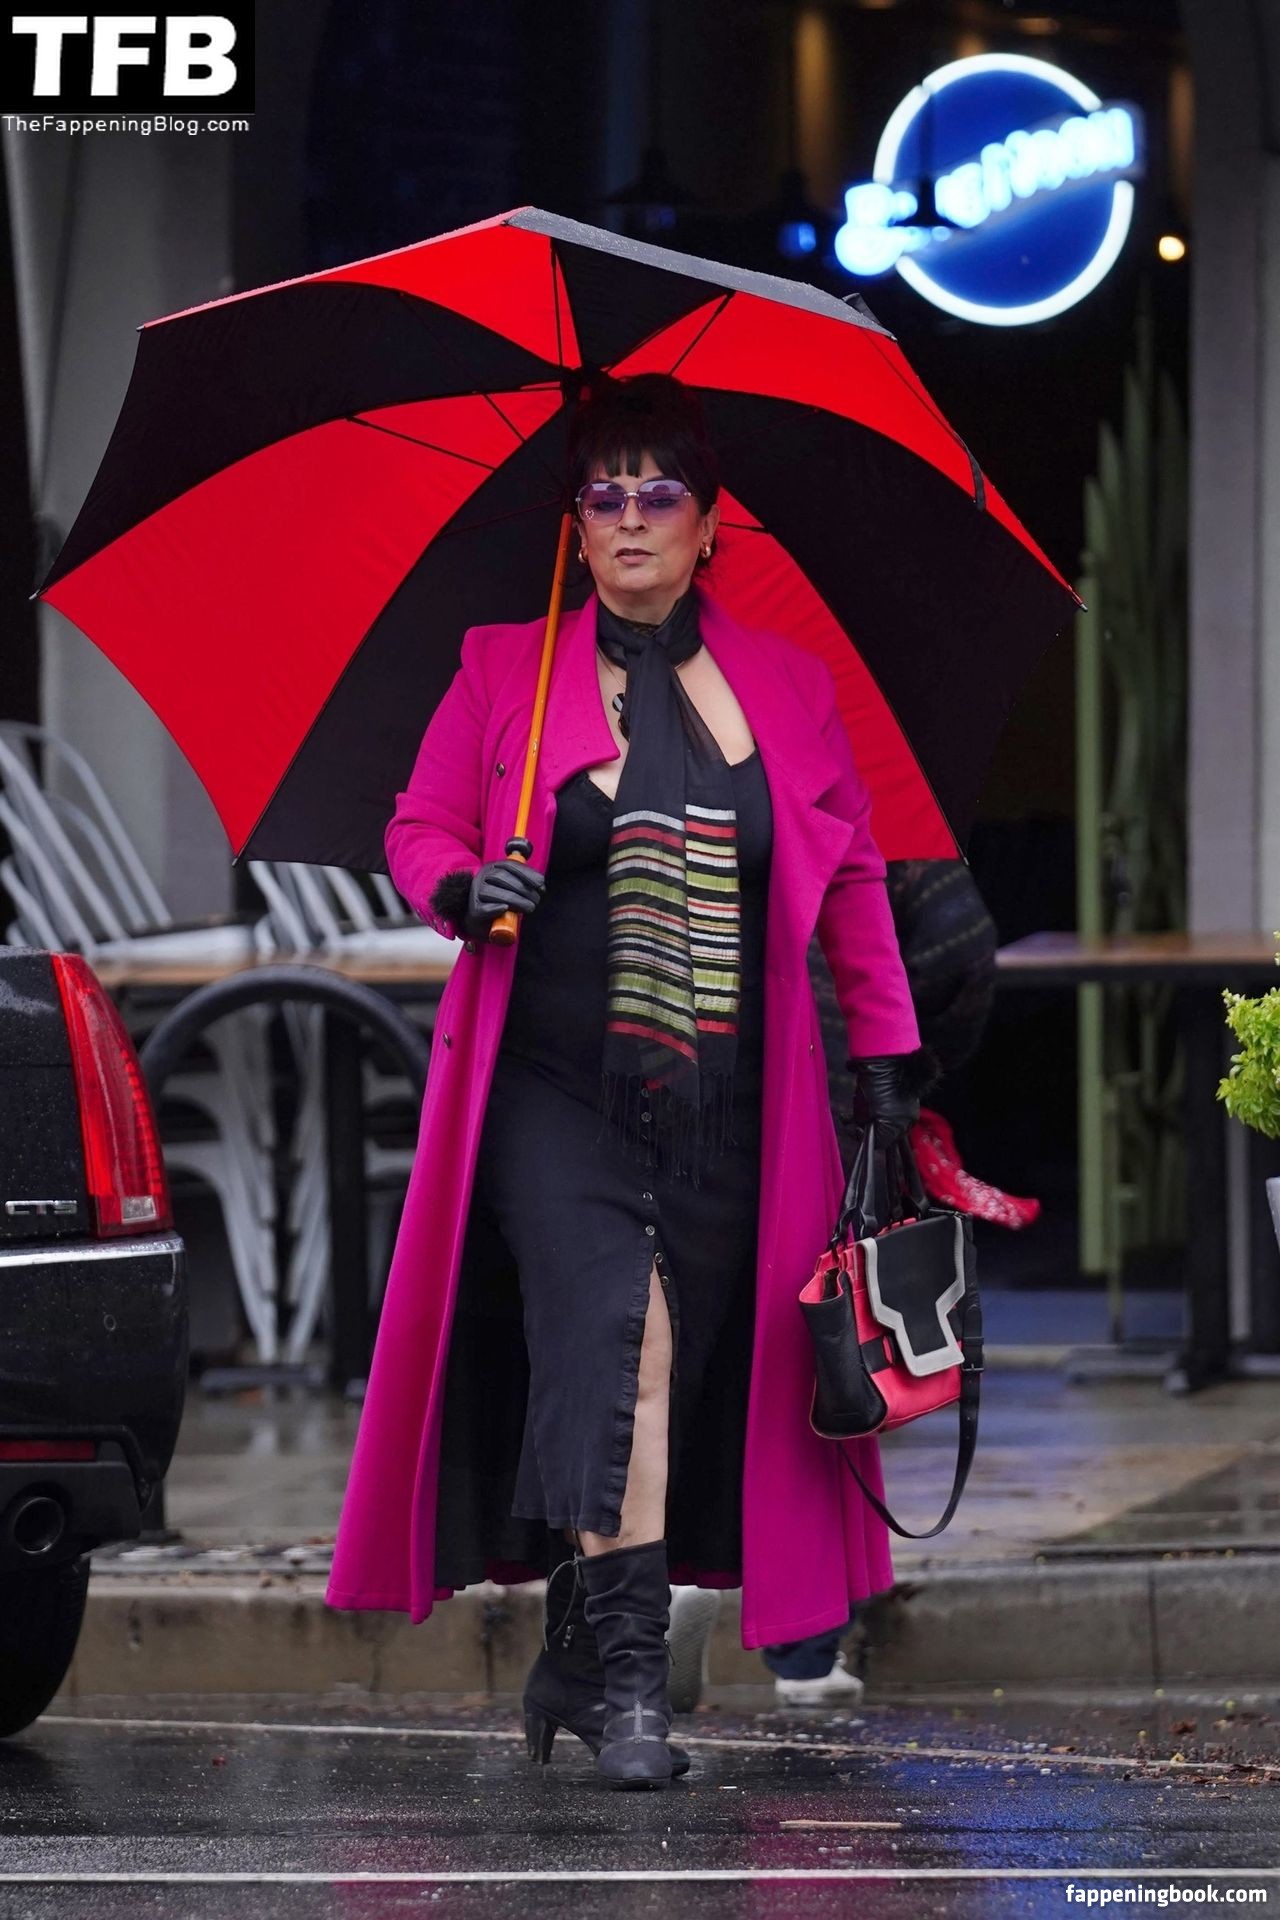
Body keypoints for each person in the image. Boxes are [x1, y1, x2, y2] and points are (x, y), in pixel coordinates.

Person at [324, 371, 928, 1789]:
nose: (633, 516)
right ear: (577, 528)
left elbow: (852, 886)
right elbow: (417, 825)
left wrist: (889, 1060)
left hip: (731, 1104)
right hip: (550, 1091)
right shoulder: (505, 671)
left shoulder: (790, 686)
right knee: (620, 1345)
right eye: (605, 495)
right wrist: (463, 886)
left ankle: (576, 1658)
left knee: (693, 1371)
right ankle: (639, 1697)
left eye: (662, 493)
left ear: (710, 526)